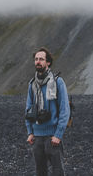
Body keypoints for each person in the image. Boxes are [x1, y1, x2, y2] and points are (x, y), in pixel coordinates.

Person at [25, 47, 70, 176]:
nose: (38, 62)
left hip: (52, 137)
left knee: (58, 171)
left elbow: (64, 109)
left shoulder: (57, 82)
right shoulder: (32, 84)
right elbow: (28, 109)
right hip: (37, 137)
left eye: (41, 59)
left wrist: (58, 134)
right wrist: (30, 132)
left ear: (48, 62)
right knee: (40, 172)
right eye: (36, 59)